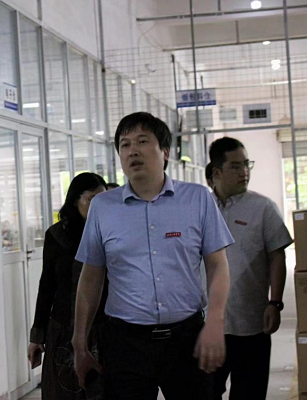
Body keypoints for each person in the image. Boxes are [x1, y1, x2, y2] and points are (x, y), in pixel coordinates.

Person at [72, 112, 234, 400]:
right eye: (124, 145)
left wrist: (215, 322)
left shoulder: (197, 199)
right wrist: (79, 341)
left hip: (187, 340)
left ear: (165, 152)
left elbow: (218, 266)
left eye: (142, 141)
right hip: (125, 344)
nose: (132, 150)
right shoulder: (103, 207)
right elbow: (91, 277)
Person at [209, 137, 293, 400]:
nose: (244, 172)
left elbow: (276, 256)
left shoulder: (263, 208)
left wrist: (275, 303)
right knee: (205, 392)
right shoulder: (200, 209)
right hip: (208, 326)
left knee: (250, 393)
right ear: (217, 172)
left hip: (252, 323)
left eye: (247, 164)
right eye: (235, 166)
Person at [28, 172, 108, 400]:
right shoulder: (56, 235)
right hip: (63, 327)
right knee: (63, 391)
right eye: (91, 199)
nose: (97, 206)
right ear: (75, 200)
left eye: (102, 200)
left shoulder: (109, 232)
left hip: (103, 328)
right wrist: (37, 336)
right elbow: (47, 286)